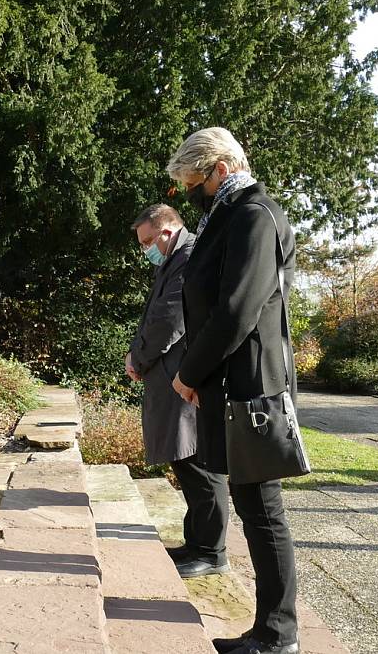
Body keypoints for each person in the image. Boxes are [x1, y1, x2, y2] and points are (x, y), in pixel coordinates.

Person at [166, 127, 300, 654]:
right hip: (234, 383)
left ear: (219, 170)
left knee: (263, 509)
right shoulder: (231, 215)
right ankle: (269, 630)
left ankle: (277, 635)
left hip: (253, 388)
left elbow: (237, 310)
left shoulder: (252, 216)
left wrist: (190, 371)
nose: (191, 194)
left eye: (194, 182)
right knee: (253, 505)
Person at [125, 204, 231, 579]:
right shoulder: (175, 259)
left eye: (148, 241)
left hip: (184, 378)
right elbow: (157, 317)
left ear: (167, 231)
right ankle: (197, 542)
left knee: (198, 462)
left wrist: (138, 358)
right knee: (187, 462)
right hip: (174, 375)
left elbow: (170, 319)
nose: (146, 251)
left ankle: (212, 552)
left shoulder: (188, 257)